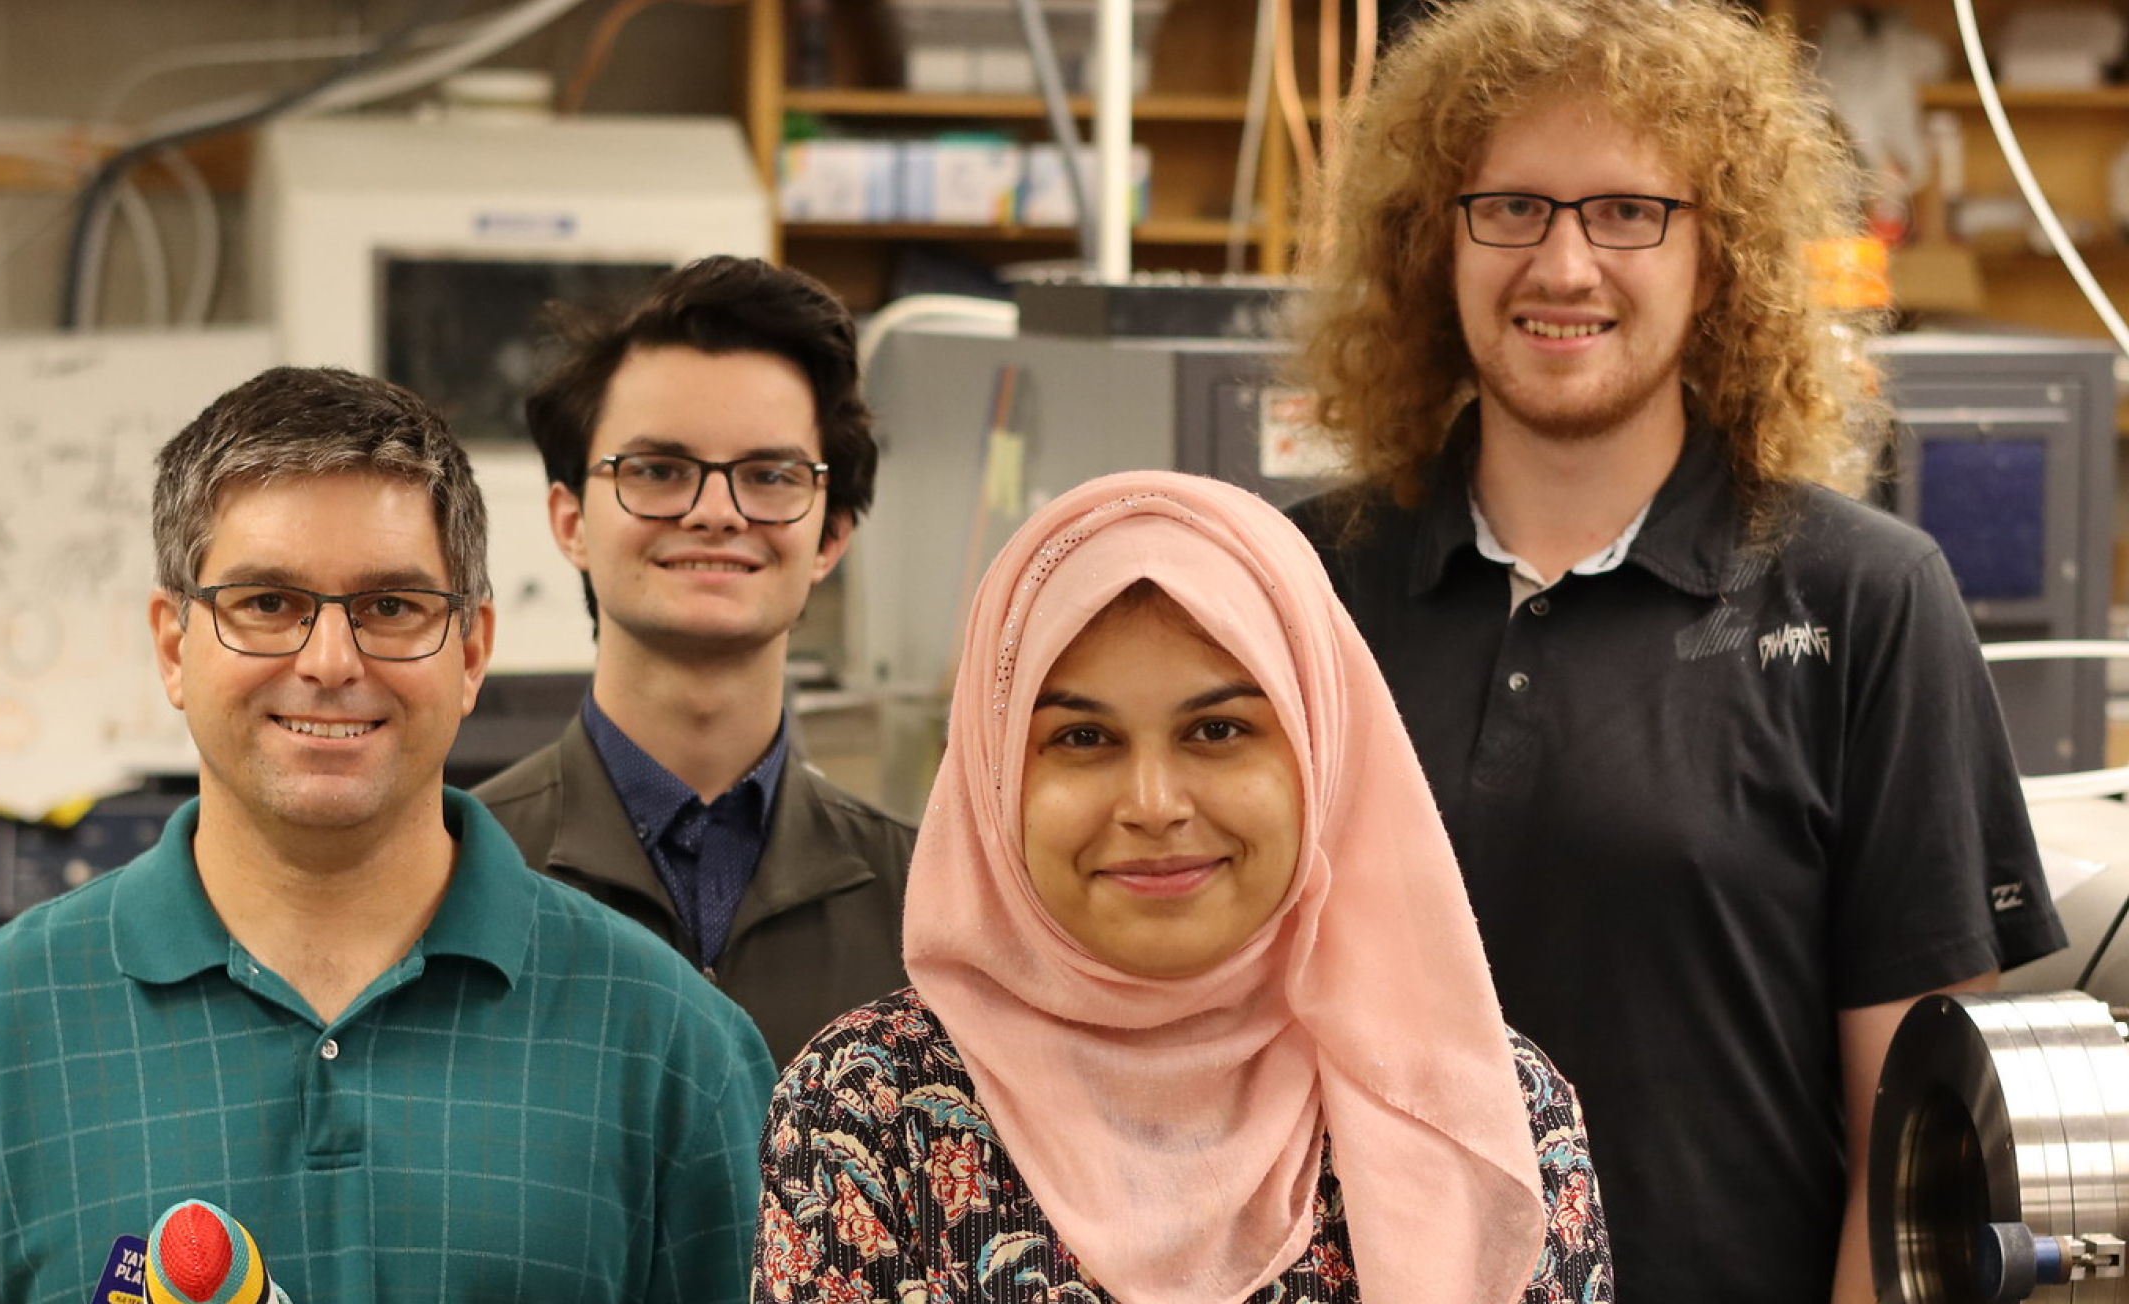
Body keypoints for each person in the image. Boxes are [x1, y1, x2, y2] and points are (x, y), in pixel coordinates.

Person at [1285, 1, 2067, 1301]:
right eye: (1513, 207)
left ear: (1726, 256)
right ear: (1436, 238)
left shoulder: (1866, 599)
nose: (1565, 263)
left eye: (1628, 213)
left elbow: (1916, 1146)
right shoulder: (1303, 582)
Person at [0, 366, 773, 1304]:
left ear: (472, 651)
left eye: (391, 608)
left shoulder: (673, 1050)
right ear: (171, 645)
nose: (328, 661)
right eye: (266, 603)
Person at [756, 470, 1611, 1304]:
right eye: (1084, 737)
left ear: (1319, 754)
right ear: (993, 775)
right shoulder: (867, 1110)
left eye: (1217, 729)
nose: (1154, 806)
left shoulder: (1488, 1114)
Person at [474, 256, 913, 1062]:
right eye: (659, 471)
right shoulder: (454, 879)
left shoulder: (927, 909)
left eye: (770, 475)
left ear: (832, 534)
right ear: (570, 521)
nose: (716, 512)